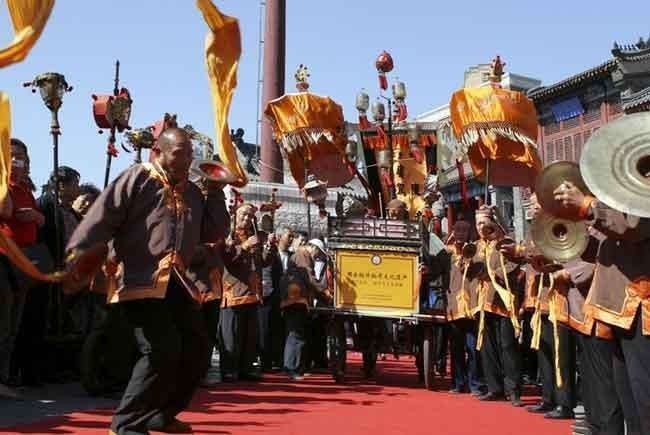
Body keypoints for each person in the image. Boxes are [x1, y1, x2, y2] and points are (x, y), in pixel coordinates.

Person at [65, 127, 229, 435]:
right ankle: (125, 424)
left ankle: (161, 414)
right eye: (180, 153)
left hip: (177, 281)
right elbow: (102, 216)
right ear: (160, 152)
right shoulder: (137, 178)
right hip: (138, 280)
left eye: (190, 154)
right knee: (161, 349)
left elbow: (213, 233)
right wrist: (78, 255)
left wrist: (216, 191)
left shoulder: (193, 191)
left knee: (197, 348)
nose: (188, 160)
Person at [554, 179, 649, 434]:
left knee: (645, 398)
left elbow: (633, 227)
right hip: (620, 308)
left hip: (641, 308)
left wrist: (587, 205)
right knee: (630, 400)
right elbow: (608, 246)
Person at [0, 139, 45, 398]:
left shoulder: (26, 189)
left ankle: (6, 376)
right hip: (5, 257)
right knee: (4, 322)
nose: (18, 161)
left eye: (22, 157)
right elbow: (5, 212)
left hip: (26, 259)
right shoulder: (4, 184)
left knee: (14, 324)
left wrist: (36, 217)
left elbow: (41, 218)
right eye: (13, 156)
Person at [470, 205, 524, 406]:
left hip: (503, 302)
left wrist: (495, 275)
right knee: (487, 347)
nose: (480, 227)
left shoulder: (503, 242)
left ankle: (514, 389)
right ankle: (494, 387)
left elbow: (515, 265)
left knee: (508, 346)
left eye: (484, 222)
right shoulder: (475, 246)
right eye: (478, 223)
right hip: (483, 303)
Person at [220, 203, 276, 382]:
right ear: (235, 215)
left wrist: (269, 248)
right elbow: (227, 259)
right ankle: (229, 369)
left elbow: (264, 262)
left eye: (251, 216)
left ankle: (246, 368)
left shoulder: (255, 236)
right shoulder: (228, 235)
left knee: (250, 335)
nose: (248, 219)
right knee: (232, 334)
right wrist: (243, 246)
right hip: (234, 290)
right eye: (244, 215)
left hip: (254, 291)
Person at [283, 238, 331, 379]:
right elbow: (310, 278)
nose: (318, 257)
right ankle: (292, 368)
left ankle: (294, 367)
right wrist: (324, 293)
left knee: (296, 334)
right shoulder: (303, 255)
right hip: (295, 298)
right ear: (313, 247)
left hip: (297, 298)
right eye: (318, 253)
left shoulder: (301, 255)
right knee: (296, 335)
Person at [444, 219, 482, 395]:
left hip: (472, 306)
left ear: (469, 233)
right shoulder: (447, 252)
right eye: (457, 230)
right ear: (453, 231)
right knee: (456, 348)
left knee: (473, 347)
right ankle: (458, 383)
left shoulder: (476, 250)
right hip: (453, 306)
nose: (460, 233)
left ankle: (475, 383)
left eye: (464, 230)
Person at [258, 227, 293, 372]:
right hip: (267, 296)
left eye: (292, 236)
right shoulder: (271, 254)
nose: (291, 239)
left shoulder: (292, 256)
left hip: (283, 297)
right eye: (289, 236)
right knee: (265, 329)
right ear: (279, 237)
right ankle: (265, 361)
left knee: (279, 329)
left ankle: (278, 359)